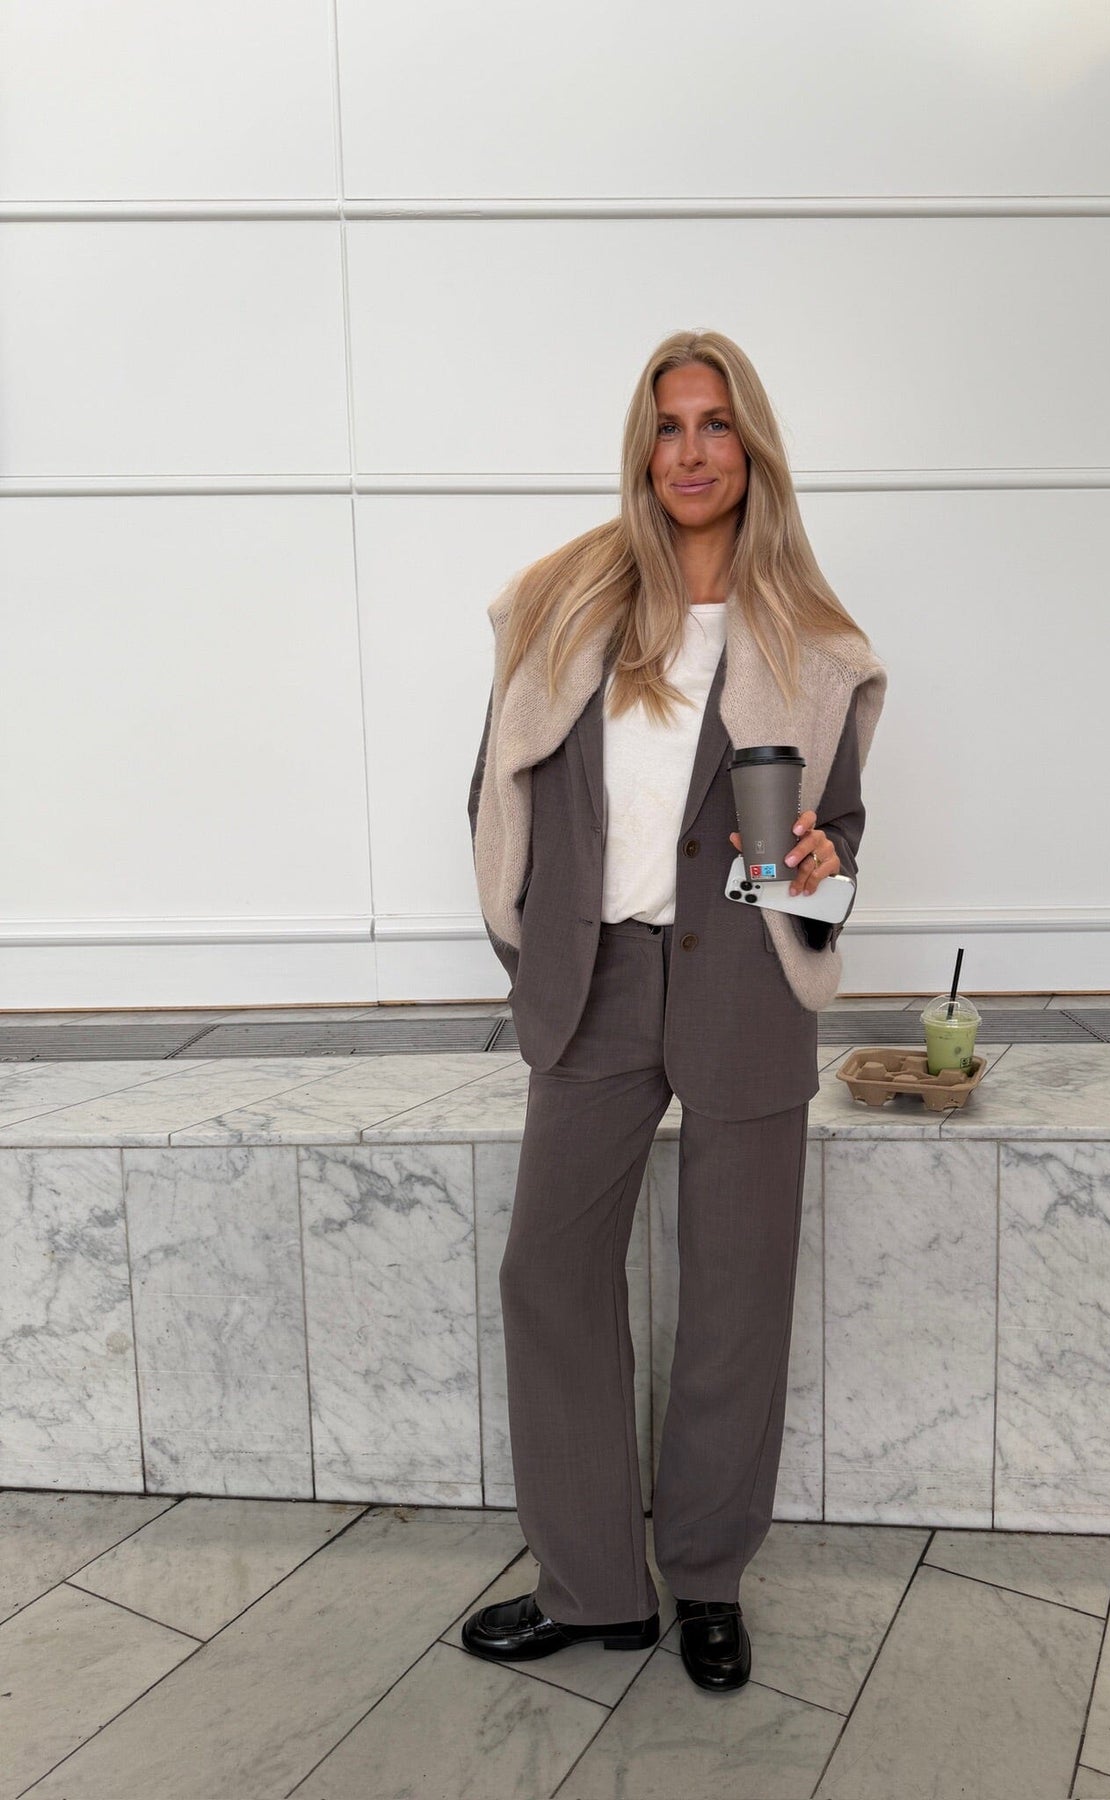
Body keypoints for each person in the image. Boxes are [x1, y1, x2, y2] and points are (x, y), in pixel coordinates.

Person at [462, 329, 887, 1692]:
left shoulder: (812, 642)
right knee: (548, 1272)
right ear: (641, 448)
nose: (690, 452)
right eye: (667, 426)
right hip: (594, 980)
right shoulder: (566, 606)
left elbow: (838, 841)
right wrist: (529, 948)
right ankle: (595, 1587)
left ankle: (705, 1577)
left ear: (751, 447)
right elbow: (496, 793)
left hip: (744, 983)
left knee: (736, 1291)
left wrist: (816, 870)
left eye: (714, 425)